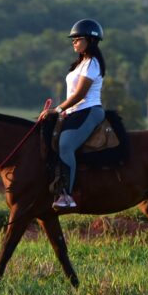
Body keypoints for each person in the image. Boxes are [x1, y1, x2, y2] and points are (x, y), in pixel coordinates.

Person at [41, 18, 106, 210]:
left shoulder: (92, 63)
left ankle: (66, 195)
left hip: (90, 110)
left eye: (77, 38)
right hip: (75, 111)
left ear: (90, 40)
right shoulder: (80, 63)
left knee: (66, 144)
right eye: (73, 39)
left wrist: (58, 109)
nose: (73, 41)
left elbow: (80, 94)